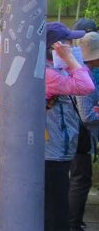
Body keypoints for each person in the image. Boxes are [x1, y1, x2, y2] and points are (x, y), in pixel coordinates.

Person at [44, 22, 95, 231]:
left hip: (59, 149)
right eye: (68, 42)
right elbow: (86, 86)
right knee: (56, 214)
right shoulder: (48, 74)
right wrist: (69, 59)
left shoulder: (53, 70)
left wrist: (68, 62)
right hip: (52, 152)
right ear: (54, 47)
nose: (72, 46)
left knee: (57, 207)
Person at [69, 29, 99, 231]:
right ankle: (73, 223)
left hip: (77, 134)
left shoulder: (81, 70)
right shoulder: (84, 74)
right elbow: (86, 114)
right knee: (80, 180)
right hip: (80, 136)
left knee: (79, 180)